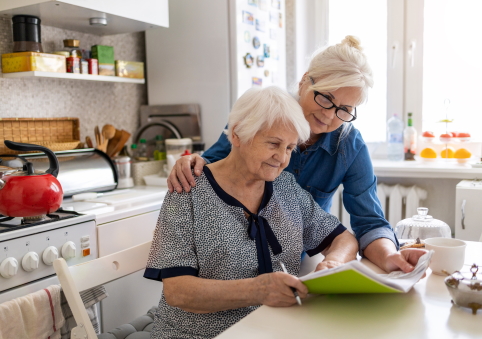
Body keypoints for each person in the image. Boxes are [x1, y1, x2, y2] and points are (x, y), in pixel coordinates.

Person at [167, 35, 427, 274]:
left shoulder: (350, 145)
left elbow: (370, 222)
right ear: (305, 81)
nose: (328, 115)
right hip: (231, 262)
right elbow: (213, 167)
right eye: (325, 98)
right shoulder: (261, 115)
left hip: (295, 262)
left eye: (344, 109)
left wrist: (390, 256)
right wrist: (191, 162)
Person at [144, 86, 359, 339]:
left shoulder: (285, 187)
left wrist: (332, 263)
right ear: (237, 135)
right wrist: (258, 290)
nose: (281, 158)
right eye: (273, 144)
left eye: (290, 148)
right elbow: (178, 291)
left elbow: (344, 239)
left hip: (273, 329)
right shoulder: (188, 189)